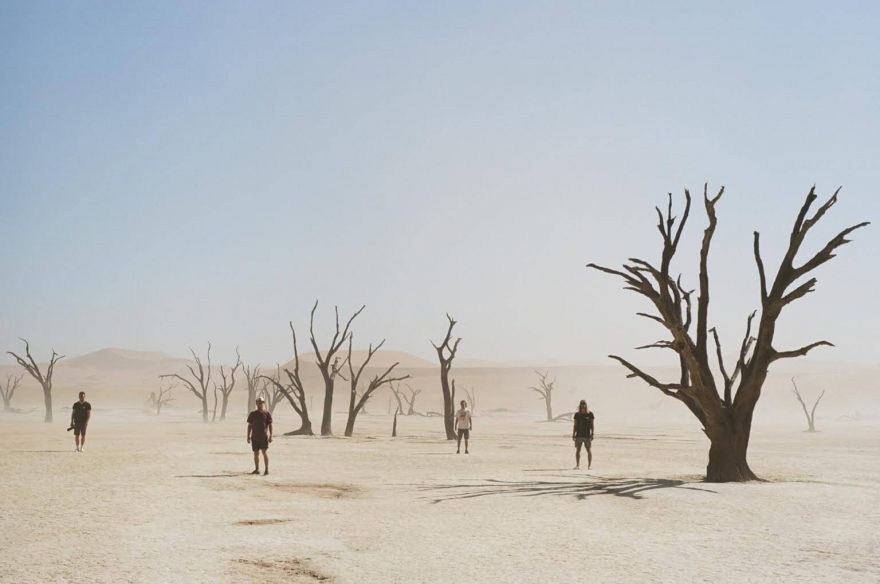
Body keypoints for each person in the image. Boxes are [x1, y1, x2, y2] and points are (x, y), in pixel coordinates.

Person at [247, 396, 273, 475]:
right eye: (258, 403)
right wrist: (248, 436)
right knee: (256, 453)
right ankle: (257, 469)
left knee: (264, 452)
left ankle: (266, 470)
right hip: (254, 437)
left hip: (264, 437)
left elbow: (270, 425)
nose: (259, 404)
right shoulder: (253, 414)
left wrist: (271, 436)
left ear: (263, 403)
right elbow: (249, 425)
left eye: (261, 403)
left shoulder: (267, 413)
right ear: (256, 404)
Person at [572, 400, 594, 470]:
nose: (583, 405)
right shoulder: (577, 415)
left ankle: (589, 466)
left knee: (588, 450)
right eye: (581, 404)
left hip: (587, 435)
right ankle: (577, 465)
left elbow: (592, 425)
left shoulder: (590, 414)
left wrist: (592, 433)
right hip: (579, 435)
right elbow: (575, 425)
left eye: (584, 404)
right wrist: (573, 434)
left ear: (586, 405)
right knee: (578, 450)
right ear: (580, 405)